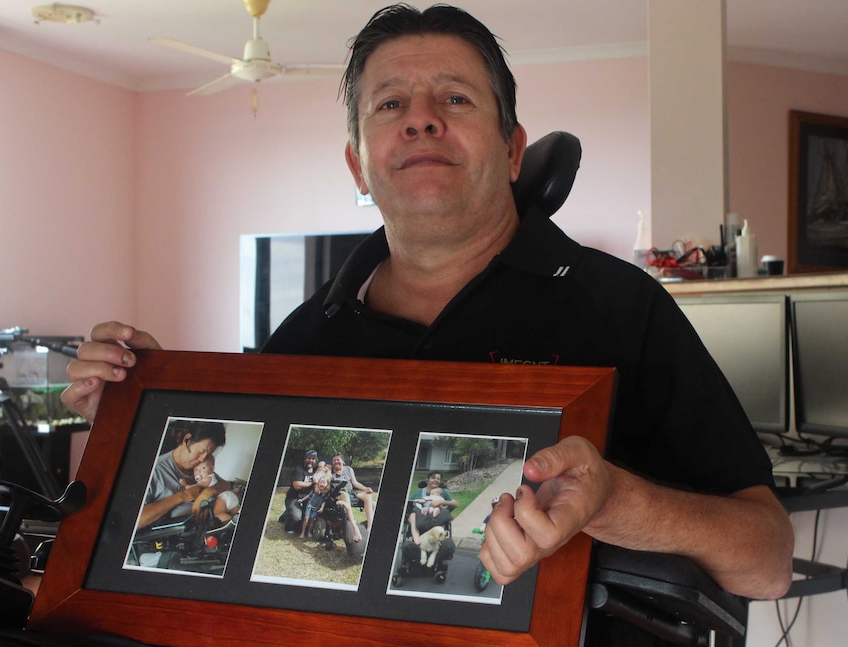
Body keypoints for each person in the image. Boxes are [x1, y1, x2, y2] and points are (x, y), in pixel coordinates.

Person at [61, 4, 793, 644]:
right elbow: (236, 522)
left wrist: (618, 500)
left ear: (511, 150)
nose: (420, 117)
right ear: (358, 165)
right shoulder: (307, 335)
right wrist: (146, 403)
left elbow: (768, 559)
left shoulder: (622, 307)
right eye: (389, 105)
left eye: (454, 97)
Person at [139, 420, 229, 530]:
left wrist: (207, 492)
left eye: (208, 455)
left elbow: (226, 484)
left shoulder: (199, 467)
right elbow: (137, 520)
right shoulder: (155, 470)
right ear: (186, 440)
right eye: (200, 451)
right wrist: (184, 495)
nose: (202, 459)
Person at [330, 452, 375, 532]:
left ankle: (370, 527)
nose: (336, 462)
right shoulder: (330, 471)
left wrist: (365, 489)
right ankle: (353, 526)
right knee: (345, 495)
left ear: (343, 462)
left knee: (368, 496)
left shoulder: (348, 469)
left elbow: (355, 483)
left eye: (338, 460)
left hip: (351, 492)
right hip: (339, 493)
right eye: (334, 460)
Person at [407, 472, 457, 543]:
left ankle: (439, 540)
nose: (436, 480)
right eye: (433, 478)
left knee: (443, 512)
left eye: (438, 479)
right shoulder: (418, 493)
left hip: (437, 518)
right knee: (412, 515)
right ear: (427, 480)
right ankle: (417, 541)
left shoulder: (443, 492)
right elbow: (408, 503)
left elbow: (455, 504)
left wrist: (441, 502)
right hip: (420, 519)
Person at [190, 455, 240, 525]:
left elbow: (197, 487)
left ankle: (228, 522)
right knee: (236, 514)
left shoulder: (207, 478)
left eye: (203, 468)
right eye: (196, 469)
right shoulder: (211, 476)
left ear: (212, 469)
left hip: (222, 498)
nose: (199, 472)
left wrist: (185, 486)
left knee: (217, 514)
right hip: (229, 496)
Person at [282, 450, 318, 534]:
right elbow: (297, 485)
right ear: (305, 459)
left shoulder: (316, 471)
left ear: (316, 461)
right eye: (309, 458)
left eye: (313, 459)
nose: (311, 460)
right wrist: (312, 483)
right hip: (294, 498)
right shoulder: (298, 469)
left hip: (307, 500)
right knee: (297, 517)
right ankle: (288, 524)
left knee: (307, 518)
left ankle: (287, 513)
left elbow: (327, 468)